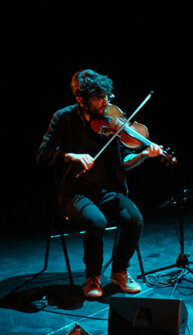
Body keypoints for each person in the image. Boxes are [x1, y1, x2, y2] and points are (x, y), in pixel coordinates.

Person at [36, 69, 164, 298]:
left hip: (107, 190)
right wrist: (71, 156)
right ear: (81, 100)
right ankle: (92, 278)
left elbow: (124, 163)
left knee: (135, 219)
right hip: (74, 192)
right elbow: (43, 155)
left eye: (107, 96)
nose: (106, 102)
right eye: (99, 98)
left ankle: (119, 272)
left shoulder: (111, 123)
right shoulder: (63, 118)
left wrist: (143, 155)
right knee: (97, 221)